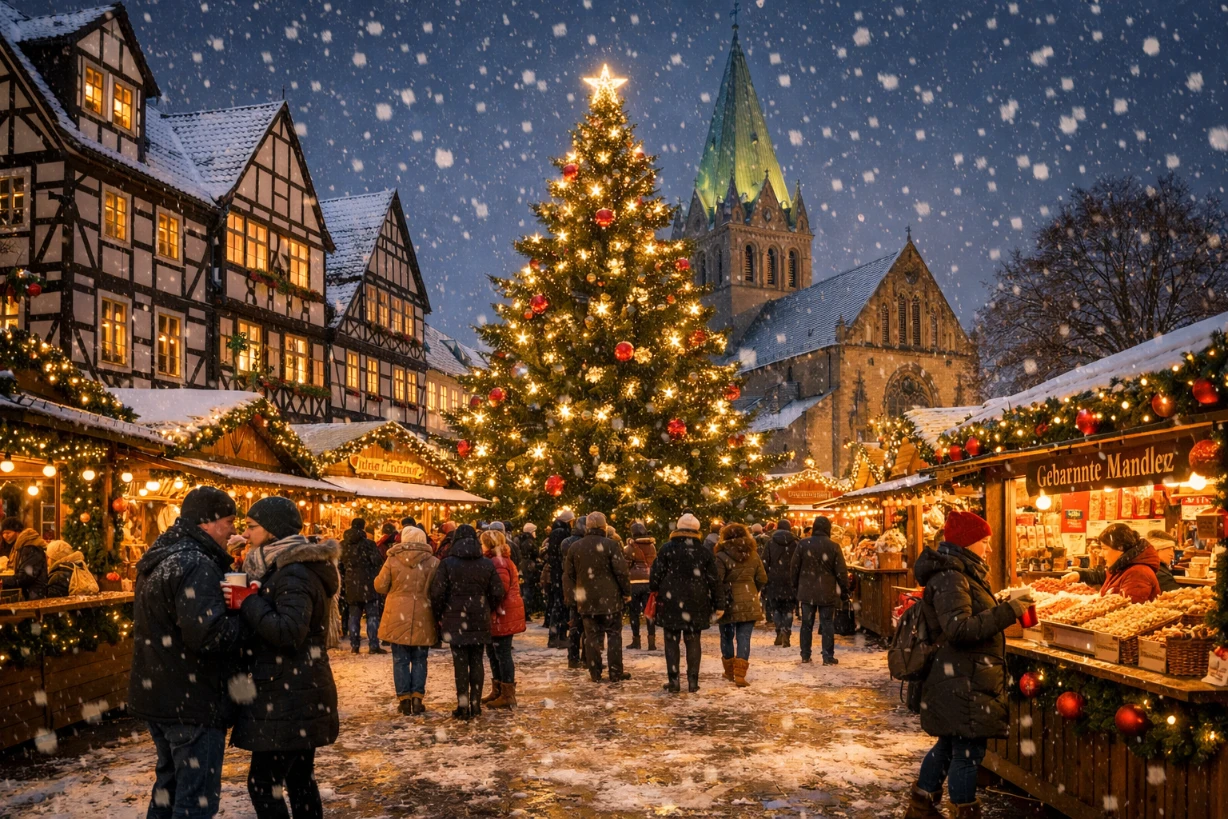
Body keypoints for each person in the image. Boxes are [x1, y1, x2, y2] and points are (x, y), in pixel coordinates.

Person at [128, 487, 247, 819]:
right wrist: (245, 615)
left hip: (162, 695)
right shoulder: (196, 564)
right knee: (195, 800)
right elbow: (208, 635)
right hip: (192, 701)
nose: (233, 531)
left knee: (168, 790)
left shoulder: (164, 556)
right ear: (206, 522)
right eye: (229, 521)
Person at [906, 511, 1033, 819]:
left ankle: (921, 805)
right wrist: (1009, 611)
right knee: (967, 751)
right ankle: (963, 811)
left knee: (949, 745)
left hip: (960, 676)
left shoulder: (959, 573)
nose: (988, 548)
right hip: (962, 679)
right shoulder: (952, 577)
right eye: (984, 541)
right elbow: (959, 629)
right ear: (967, 542)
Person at [234, 496, 340, 819]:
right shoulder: (284, 566)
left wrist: (247, 601)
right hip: (297, 689)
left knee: (264, 784)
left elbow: (289, 632)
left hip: (289, 693)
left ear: (273, 530)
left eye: (251, 526)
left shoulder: (293, 573)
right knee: (299, 778)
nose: (246, 533)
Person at [428, 524, 505, 719]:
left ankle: (463, 706)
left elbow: (437, 593)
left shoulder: (447, 563)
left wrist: (440, 613)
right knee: (477, 661)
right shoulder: (486, 564)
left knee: (460, 663)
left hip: (455, 619)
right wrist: (486, 606)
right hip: (479, 618)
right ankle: (475, 704)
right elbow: (498, 591)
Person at [650, 513, 723, 694]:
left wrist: (657, 588)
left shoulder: (666, 548)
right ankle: (693, 681)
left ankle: (674, 681)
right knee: (693, 640)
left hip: (671, 600)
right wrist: (719, 604)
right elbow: (714, 580)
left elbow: (655, 575)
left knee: (671, 641)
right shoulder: (704, 551)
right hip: (697, 600)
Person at [374, 526, 439, 715]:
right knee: (420, 659)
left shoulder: (392, 560)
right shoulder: (433, 562)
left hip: (397, 615)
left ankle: (404, 700)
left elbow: (380, 586)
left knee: (400, 660)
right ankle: (417, 698)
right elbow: (437, 590)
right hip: (423, 615)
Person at [563, 511, 632, 684]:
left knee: (591, 636)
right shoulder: (611, 545)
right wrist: (626, 592)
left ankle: (595, 672)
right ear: (604, 526)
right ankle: (615, 672)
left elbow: (568, 576)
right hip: (611, 600)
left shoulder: (576, 547)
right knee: (614, 635)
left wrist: (572, 598)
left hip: (586, 600)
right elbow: (621, 572)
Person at [790, 517, 851, 665]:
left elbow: (794, 567)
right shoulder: (834, 546)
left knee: (806, 624)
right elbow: (841, 572)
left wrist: (795, 586)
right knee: (827, 623)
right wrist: (845, 591)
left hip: (807, 590)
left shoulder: (803, 544)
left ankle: (805, 654)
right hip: (827, 591)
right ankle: (827, 656)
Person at [714, 523, 767, 686]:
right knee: (744, 638)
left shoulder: (721, 556)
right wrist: (752, 590)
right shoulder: (753, 555)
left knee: (726, 636)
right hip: (749, 601)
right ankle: (740, 675)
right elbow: (762, 578)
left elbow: (717, 580)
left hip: (728, 602)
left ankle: (729, 671)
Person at [481, 529, 526, 707]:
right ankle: (499, 690)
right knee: (494, 653)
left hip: (502, 613)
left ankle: (507, 695)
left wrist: (489, 607)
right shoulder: (497, 560)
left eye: (483, 542)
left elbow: (499, 590)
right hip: (501, 612)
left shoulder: (498, 562)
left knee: (502, 653)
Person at [340, 519, 386, 654]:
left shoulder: (343, 545)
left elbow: (339, 565)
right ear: (363, 527)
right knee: (372, 616)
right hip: (369, 583)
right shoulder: (369, 544)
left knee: (354, 615)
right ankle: (373, 645)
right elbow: (377, 562)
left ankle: (354, 645)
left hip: (351, 584)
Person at [761, 519, 799, 647]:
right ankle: (786, 631)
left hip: (774, 580)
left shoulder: (770, 542)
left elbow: (764, 562)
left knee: (776, 608)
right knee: (788, 609)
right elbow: (799, 562)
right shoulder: (795, 542)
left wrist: (765, 579)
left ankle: (779, 631)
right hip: (790, 580)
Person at [559, 515, 588, 669]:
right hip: (585, 587)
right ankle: (585, 658)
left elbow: (566, 571)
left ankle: (573, 658)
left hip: (573, 587)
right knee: (587, 626)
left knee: (575, 626)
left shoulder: (567, 542)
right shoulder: (584, 544)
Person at [624, 521, 658, 651]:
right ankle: (651, 641)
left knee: (634, 612)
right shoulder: (652, 546)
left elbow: (626, 565)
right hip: (648, 581)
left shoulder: (630, 547)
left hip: (634, 582)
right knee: (649, 612)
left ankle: (636, 640)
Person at [543, 512, 574, 648]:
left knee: (558, 604)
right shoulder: (561, 533)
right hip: (559, 574)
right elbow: (558, 554)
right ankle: (559, 636)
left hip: (557, 574)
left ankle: (556, 635)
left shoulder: (556, 532)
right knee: (560, 605)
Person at [1, 527, 48, 601]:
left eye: (8, 533)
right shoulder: (32, 549)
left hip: (34, 597)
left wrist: (3, 582)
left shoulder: (31, 550)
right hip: (35, 595)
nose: (6, 536)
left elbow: (25, 576)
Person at [515, 523, 541, 619]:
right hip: (528, 568)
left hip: (524, 567)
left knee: (524, 589)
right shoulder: (529, 542)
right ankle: (526, 612)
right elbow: (534, 554)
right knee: (528, 590)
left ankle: (525, 612)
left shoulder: (521, 540)